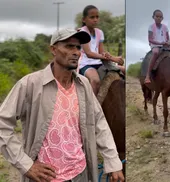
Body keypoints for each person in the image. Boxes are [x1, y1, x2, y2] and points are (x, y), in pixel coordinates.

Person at [0, 28, 124, 182]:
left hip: (80, 174)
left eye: (78, 47)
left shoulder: (83, 84)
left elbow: (99, 122)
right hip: (46, 178)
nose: (76, 52)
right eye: (69, 46)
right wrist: (26, 165)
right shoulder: (30, 84)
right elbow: (2, 123)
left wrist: (112, 160)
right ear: (53, 50)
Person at [78, 5, 125, 96]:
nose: (95, 19)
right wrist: (113, 58)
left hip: (99, 63)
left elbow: (101, 52)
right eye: (92, 17)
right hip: (86, 64)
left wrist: (106, 54)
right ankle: (92, 107)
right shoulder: (82, 32)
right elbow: (89, 53)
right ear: (84, 19)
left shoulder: (99, 32)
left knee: (123, 70)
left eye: (97, 17)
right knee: (95, 81)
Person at [144, 9, 170, 84]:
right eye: (157, 16)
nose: (159, 18)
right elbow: (150, 39)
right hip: (155, 45)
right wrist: (160, 43)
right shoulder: (151, 27)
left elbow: (168, 38)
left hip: (164, 45)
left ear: (162, 18)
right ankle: (148, 75)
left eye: (160, 17)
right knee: (156, 52)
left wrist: (168, 43)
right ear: (153, 17)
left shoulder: (165, 27)